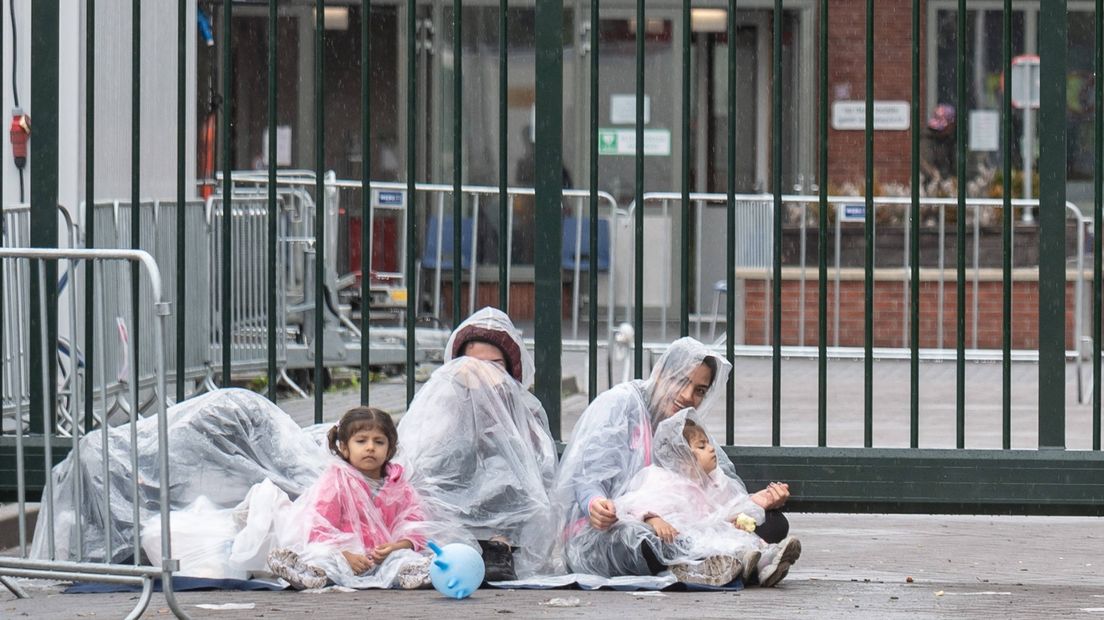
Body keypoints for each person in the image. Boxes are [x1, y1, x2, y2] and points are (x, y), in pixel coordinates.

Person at [554, 336, 793, 580]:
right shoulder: (621, 404)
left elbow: (716, 488)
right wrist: (595, 503)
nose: (688, 395)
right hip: (611, 530)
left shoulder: (684, 425)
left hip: (681, 527)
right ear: (661, 373)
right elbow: (588, 474)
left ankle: (714, 561)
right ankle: (725, 558)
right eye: (681, 381)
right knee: (641, 542)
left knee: (772, 522)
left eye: (700, 390)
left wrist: (755, 503)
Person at [396, 307, 561, 581]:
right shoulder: (442, 402)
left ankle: (499, 545)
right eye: (474, 364)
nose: (483, 373)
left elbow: (537, 469)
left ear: (509, 368)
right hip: (454, 502)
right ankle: (456, 545)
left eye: (494, 364)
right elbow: (421, 458)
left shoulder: (521, 410)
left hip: (504, 506)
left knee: (508, 466)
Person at [615, 413, 802, 587]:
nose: (712, 449)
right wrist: (654, 519)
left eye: (709, 443)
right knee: (679, 544)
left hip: (716, 533)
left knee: (751, 533)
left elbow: (731, 504)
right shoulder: (662, 479)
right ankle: (740, 564)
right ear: (682, 458)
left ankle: (765, 562)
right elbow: (634, 504)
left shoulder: (714, 479)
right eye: (702, 446)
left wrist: (749, 509)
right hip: (681, 537)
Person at [263, 407, 434, 590]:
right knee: (324, 560)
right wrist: (344, 554)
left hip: (384, 560)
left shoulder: (399, 486)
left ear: (389, 449)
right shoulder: (335, 482)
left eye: (379, 442)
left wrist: (398, 546)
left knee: (403, 559)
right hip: (346, 558)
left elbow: (414, 524)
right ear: (344, 448)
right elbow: (319, 527)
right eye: (361, 441)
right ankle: (309, 574)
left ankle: (413, 574)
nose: (370, 447)